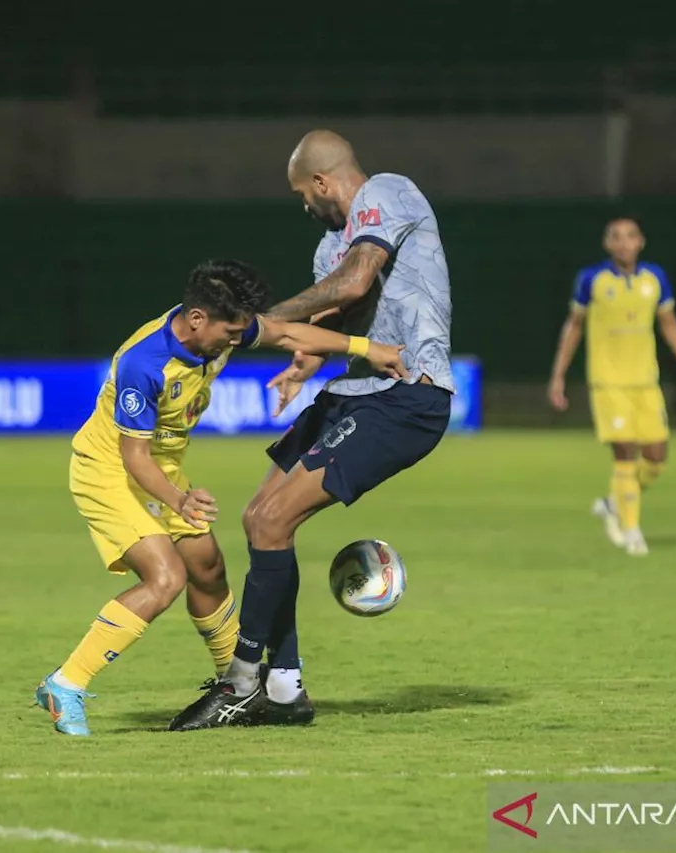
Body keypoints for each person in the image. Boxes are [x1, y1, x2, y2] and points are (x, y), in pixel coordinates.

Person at [33, 258, 409, 736]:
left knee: (207, 569)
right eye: (230, 332)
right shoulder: (143, 364)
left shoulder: (220, 327)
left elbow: (290, 336)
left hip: (161, 471)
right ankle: (66, 684)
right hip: (108, 472)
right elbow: (133, 457)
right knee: (166, 578)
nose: (236, 340)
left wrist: (365, 347)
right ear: (196, 320)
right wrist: (179, 499)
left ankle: (236, 684)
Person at [168, 130, 455, 731]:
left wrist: (254, 323)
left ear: (323, 182)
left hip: (407, 396)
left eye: (304, 192)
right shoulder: (330, 249)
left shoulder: (388, 192)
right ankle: (283, 686)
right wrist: (303, 359)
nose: (304, 205)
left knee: (273, 521)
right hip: (353, 393)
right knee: (258, 519)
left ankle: (241, 681)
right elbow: (342, 311)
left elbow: (354, 283)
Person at [548, 216, 676, 556]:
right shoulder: (592, 279)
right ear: (608, 244)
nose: (624, 243)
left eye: (630, 236)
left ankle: (614, 502)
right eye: (616, 237)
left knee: (656, 459)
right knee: (625, 452)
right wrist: (559, 375)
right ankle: (632, 531)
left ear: (641, 242)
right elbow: (574, 326)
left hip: (645, 383)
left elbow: (669, 325)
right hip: (608, 383)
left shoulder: (655, 279)